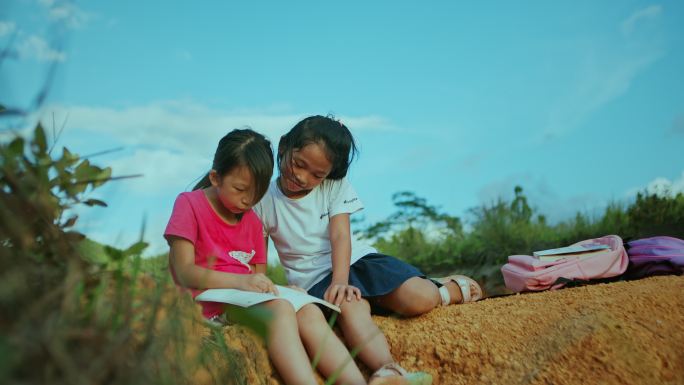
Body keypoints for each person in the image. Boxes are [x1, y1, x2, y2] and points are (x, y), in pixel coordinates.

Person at [164, 128, 405, 385]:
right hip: (206, 300)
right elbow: (183, 270)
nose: (247, 200)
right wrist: (243, 283)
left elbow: (257, 279)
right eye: (240, 189)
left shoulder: (253, 220)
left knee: (308, 310)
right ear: (215, 177)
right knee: (279, 310)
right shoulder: (190, 204)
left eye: (256, 193)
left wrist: (283, 290)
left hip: (241, 297)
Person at [254, 115, 483, 382]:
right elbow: (258, 257)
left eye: (317, 174)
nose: (302, 177)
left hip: (355, 262)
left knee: (420, 298)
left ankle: (444, 289)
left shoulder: (333, 187)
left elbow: (340, 235)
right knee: (351, 307)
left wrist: (340, 280)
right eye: (298, 164)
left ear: (329, 174)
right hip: (315, 281)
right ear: (283, 147)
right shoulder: (263, 201)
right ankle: (389, 369)